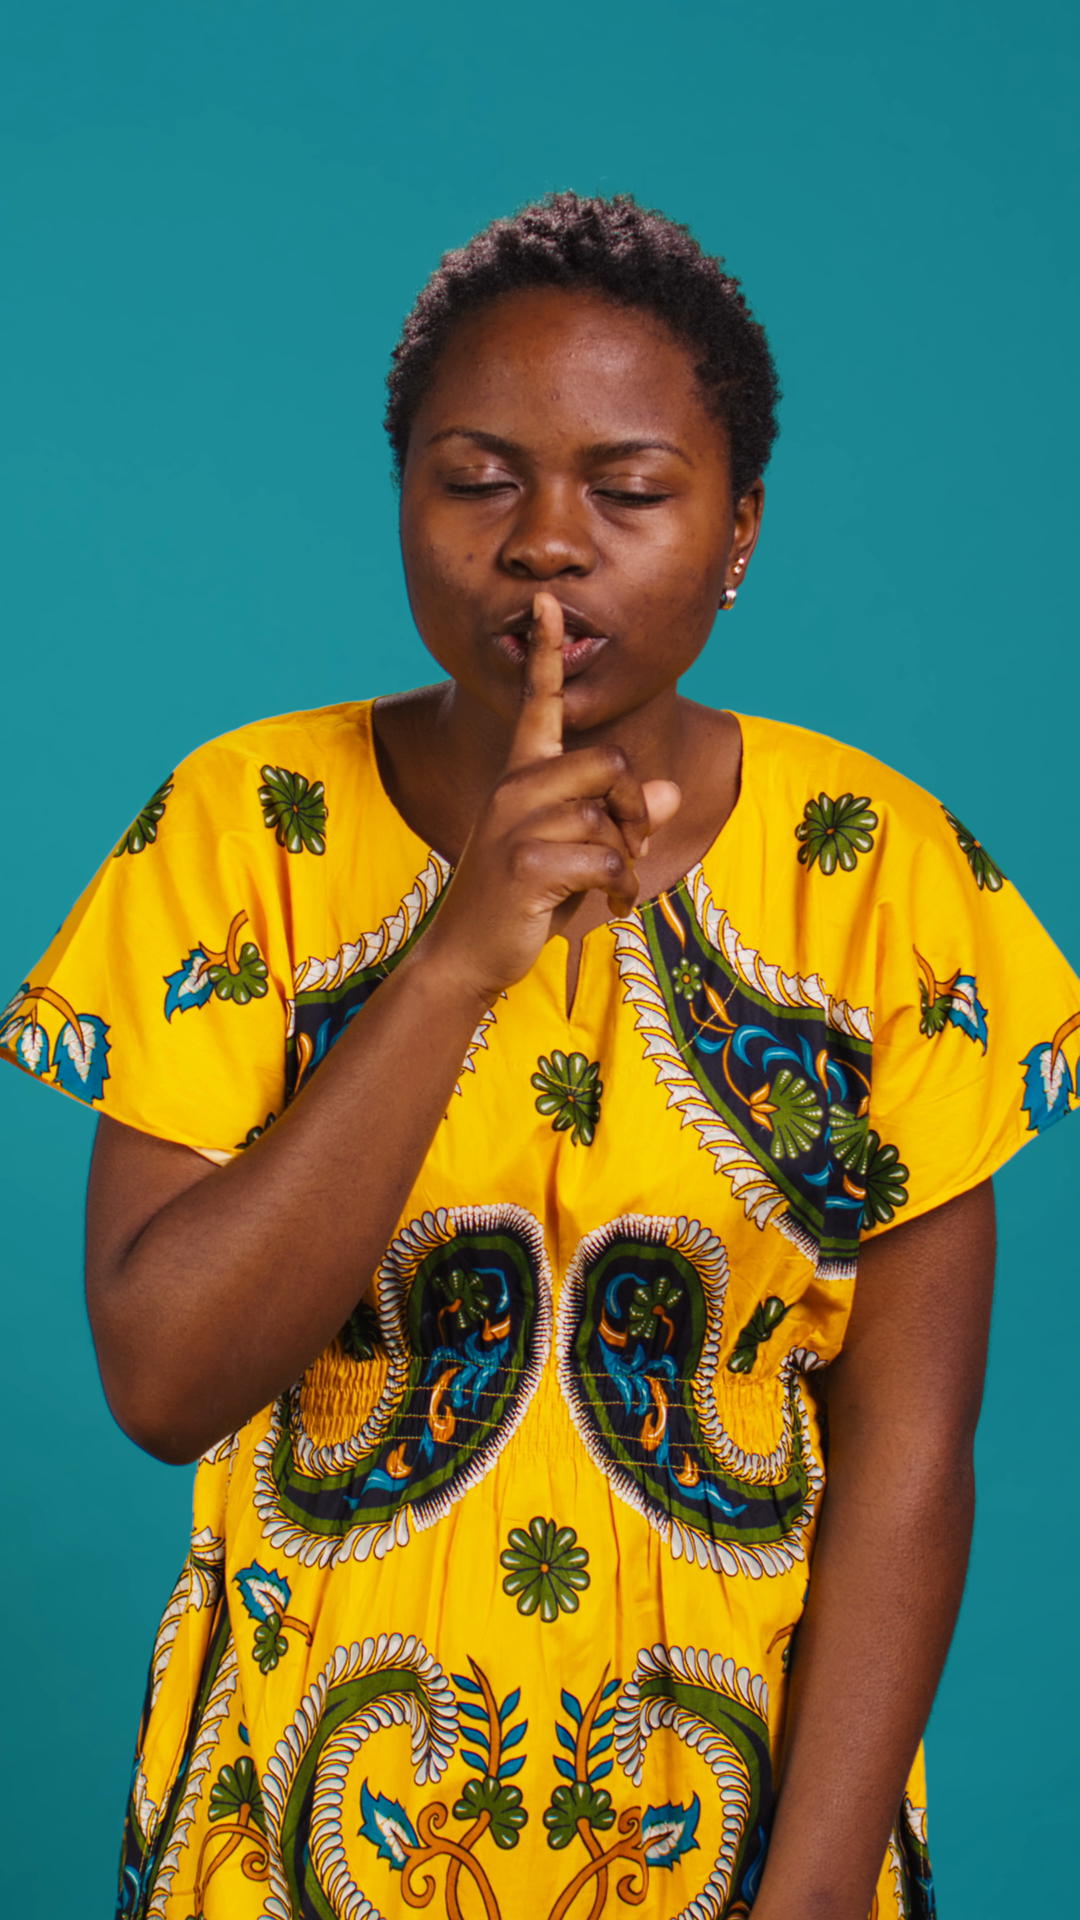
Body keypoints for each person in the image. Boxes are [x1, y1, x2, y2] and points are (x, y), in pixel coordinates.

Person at [3, 193, 1077, 1920]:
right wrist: (457, 960)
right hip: (288, 1838)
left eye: (629, 490)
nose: (546, 547)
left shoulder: (886, 881)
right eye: (478, 480)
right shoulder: (240, 833)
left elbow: (909, 1464)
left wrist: (809, 1903)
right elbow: (163, 1380)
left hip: (736, 1844)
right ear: (404, 497)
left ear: (738, 528)